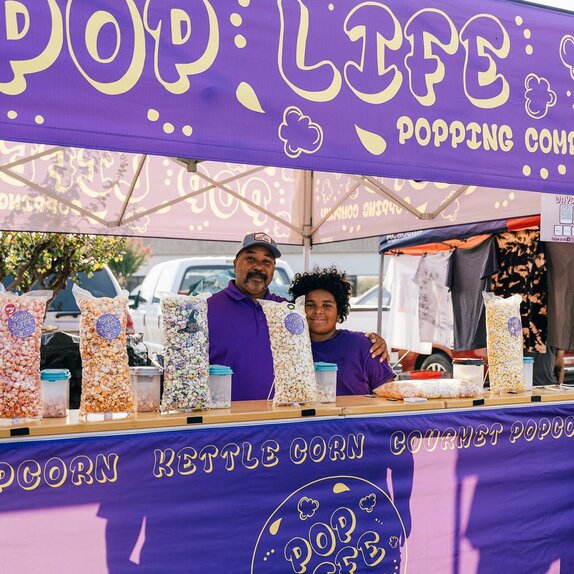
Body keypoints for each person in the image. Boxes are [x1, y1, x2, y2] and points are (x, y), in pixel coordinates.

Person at [208, 233, 388, 401]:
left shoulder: (287, 310)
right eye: (251, 258)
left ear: (273, 269)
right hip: (225, 424)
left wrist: (372, 340)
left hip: (281, 423)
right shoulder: (208, 310)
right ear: (235, 263)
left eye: (267, 262)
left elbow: (320, 334)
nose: (258, 267)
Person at [289, 266, 395, 395]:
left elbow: (389, 394)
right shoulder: (289, 348)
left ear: (339, 313)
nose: (318, 311)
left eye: (327, 306)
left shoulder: (363, 345)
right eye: (310, 305)